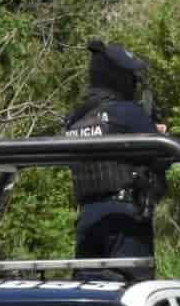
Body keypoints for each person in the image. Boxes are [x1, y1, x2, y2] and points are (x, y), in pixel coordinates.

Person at [61, 39, 169, 261]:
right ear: (119, 77)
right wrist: (160, 136)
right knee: (132, 287)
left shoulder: (75, 119)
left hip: (87, 221)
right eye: (131, 79)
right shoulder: (128, 112)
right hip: (124, 220)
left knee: (91, 289)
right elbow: (162, 157)